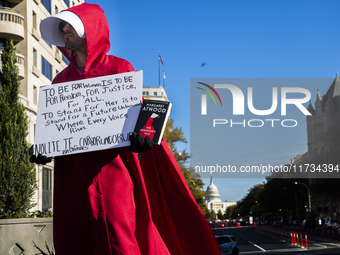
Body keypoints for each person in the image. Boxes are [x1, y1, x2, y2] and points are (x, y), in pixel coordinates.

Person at [36, 3, 220, 255]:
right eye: (62, 26)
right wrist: (42, 147)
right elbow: (54, 126)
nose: (64, 30)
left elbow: (144, 115)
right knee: (77, 240)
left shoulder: (120, 69)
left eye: (70, 25)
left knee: (122, 240)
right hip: (74, 176)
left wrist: (146, 137)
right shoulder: (60, 80)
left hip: (115, 174)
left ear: (90, 30)